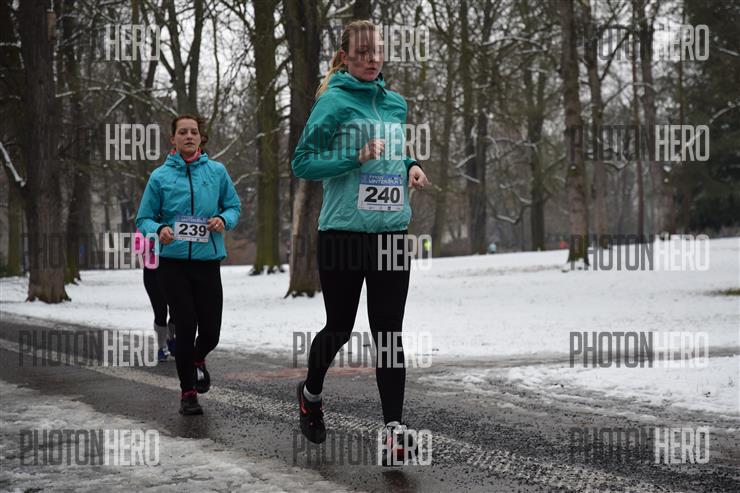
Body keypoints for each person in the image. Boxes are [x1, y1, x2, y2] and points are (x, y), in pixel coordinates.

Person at [291, 20, 429, 461]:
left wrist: (411, 165)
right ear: (345, 57)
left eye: (377, 51)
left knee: (389, 332)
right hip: (343, 233)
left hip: (391, 232)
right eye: (362, 51)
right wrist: (353, 157)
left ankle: (393, 430)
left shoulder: (395, 103)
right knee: (340, 326)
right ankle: (310, 394)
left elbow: (396, 151)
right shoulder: (333, 102)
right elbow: (303, 162)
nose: (372, 58)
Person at [136, 114, 241, 415]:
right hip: (172, 264)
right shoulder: (160, 177)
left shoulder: (217, 172)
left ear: (200, 137)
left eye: (193, 131)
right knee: (185, 326)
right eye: (182, 132)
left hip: (207, 262)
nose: (189, 136)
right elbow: (144, 218)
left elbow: (234, 206)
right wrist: (159, 229)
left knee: (211, 332)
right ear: (173, 139)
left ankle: (197, 357)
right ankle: (188, 393)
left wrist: (223, 219)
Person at [133, 229, 176, 362]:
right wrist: (155, 241)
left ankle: (170, 338)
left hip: (173, 270)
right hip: (152, 272)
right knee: (160, 310)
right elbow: (137, 247)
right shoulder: (145, 224)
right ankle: (162, 347)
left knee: (177, 309)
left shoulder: (171, 221)